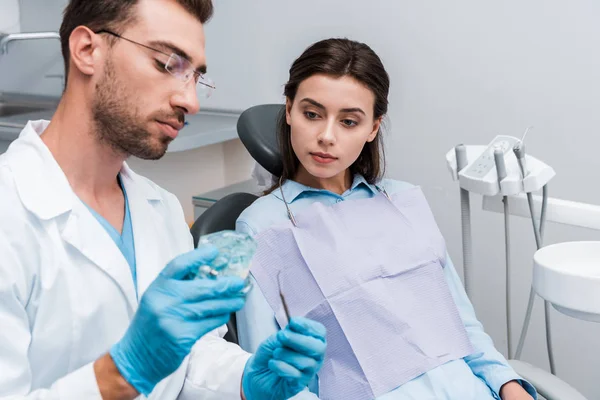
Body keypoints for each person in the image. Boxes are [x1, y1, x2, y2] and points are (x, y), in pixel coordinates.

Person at [0, 1, 327, 399]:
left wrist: (244, 381)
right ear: (87, 50)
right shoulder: (10, 213)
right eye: (168, 64)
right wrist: (119, 374)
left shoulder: (161, 208)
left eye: (196, 77)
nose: (190, 101)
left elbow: (192, 356)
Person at [235, 38, 537, 400]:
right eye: (312, 114)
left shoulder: (401, 200)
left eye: (349, 121)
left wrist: (508, 384)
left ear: (373, 128)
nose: (326, 136)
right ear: (288, 110)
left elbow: (460, 322)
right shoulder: (260, 229)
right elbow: (269, 376)